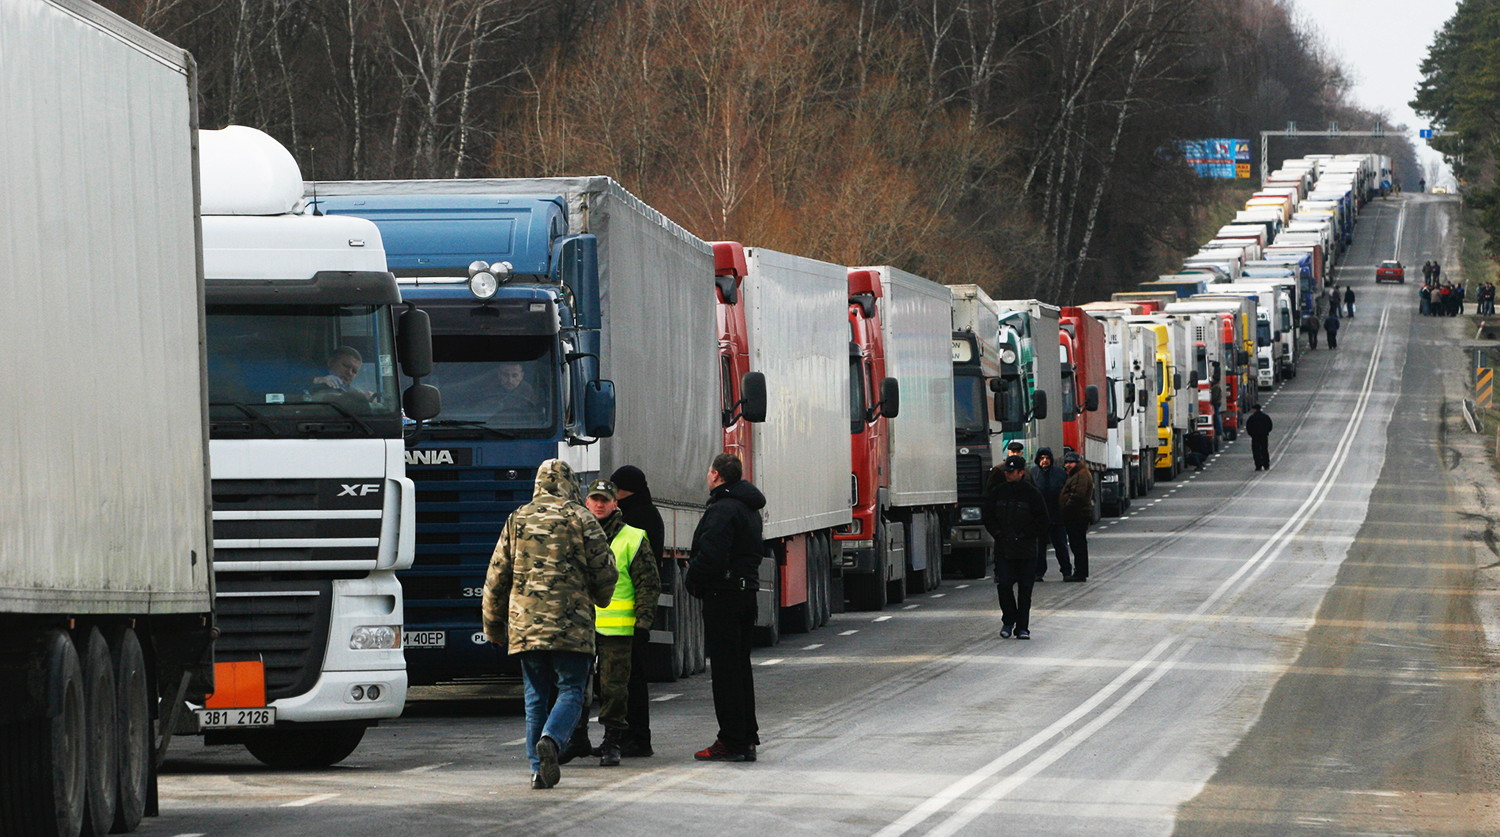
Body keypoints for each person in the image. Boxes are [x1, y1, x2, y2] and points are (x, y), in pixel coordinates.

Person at [482, 459, 616, 789]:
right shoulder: (582, 518)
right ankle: (553, 741)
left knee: (534, 697)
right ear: (572, 485)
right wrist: (601, 597)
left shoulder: (517, 519)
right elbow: (606, 568)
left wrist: (494, 628)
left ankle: (537, 771)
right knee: (571, 690)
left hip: (525, 626)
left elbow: (496, 578)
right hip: (572, 624)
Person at [567, 479, 661, 768]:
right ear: (586, 502)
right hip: (580, 627)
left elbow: (648, 584)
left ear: (615, 503)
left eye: (605, 500)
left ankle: (612, 741)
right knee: (574, 687)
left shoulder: (632, 538)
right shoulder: (573, 535)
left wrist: (643, 623)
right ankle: (577, 738)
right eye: (594, 499)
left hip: (618, 629)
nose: (599, 504)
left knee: (614, 689)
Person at [686, 453, 766, 762]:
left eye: (709, 471)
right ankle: (746, 738)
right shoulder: (749, 508)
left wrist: (694, 580)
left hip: (724, 596)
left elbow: (712, 555)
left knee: (725, 672)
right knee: (740, 668)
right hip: (746, 594)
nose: (707, 476)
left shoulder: (722, 510)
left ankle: (731, 741)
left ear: (718, 476)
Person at [610, 465, 666, 757]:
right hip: (631, 610)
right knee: (629, 678)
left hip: (629, 611)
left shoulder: (635, 519)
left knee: (630, 679)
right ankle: (634, 736)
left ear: (625, 489)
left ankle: (637, 738)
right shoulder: (648, 513)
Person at [982, 455, 1048, 640]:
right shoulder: (998, 492)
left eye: (1011, 472)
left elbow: (1042, 521)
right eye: (1007, 472)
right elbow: (987, 515)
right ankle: (1008, 620)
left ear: (1021, 473)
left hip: (1026, 550)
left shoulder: (1032, 494)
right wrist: (999, 534)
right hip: (1004, 549)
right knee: (1004, 585)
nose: (1008, 475)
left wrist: (1024, 535)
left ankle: (1022, 627)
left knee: (1025, 590)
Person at [1028, 448, 1071, 581]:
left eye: (1047, 458)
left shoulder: (1059, 473)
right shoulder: (1033, 473)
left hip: (1057, 516)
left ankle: (1066, 571)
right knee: (1039, 547)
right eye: (1042, 458)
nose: (1044, 461)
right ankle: (1038, 572)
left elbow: (1067, 490)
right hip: (1040, 517)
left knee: (1061, 546)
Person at [1057, 451, 1094, 582]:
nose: (1068, 465)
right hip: (1076, 515)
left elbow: (1077, 496)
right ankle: (1080, 571)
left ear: (1077, 462)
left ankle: (1080, 572)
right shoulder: (1077, 474)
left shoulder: (1080, 475)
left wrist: (1065, 508)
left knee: (1078, 545)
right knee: (1077, 544)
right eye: (1066, 462)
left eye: (1071, 462)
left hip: (1077, 515)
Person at [1245, 404, 1273, 471]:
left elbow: (1248, 427)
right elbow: (1270, 426)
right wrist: (1266, 432)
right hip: (1264, 436)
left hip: (1255, 437)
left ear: (1254, 409)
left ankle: (1258, 465)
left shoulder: (1251, 418)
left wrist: (1252, 434)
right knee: (1264, 450)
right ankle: (1266, 465)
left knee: (1256, 451)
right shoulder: (1265, 417)